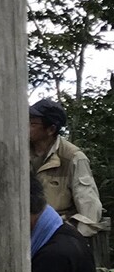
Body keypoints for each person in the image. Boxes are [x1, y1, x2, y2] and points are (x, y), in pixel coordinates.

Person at [28, 97, 104, 238]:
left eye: (32, 123)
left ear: (51, 129)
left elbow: (90, 213)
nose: (26, 127)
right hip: (22, 230)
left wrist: (70, 239)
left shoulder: (73, 158)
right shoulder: (18, 152)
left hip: (55, 233)